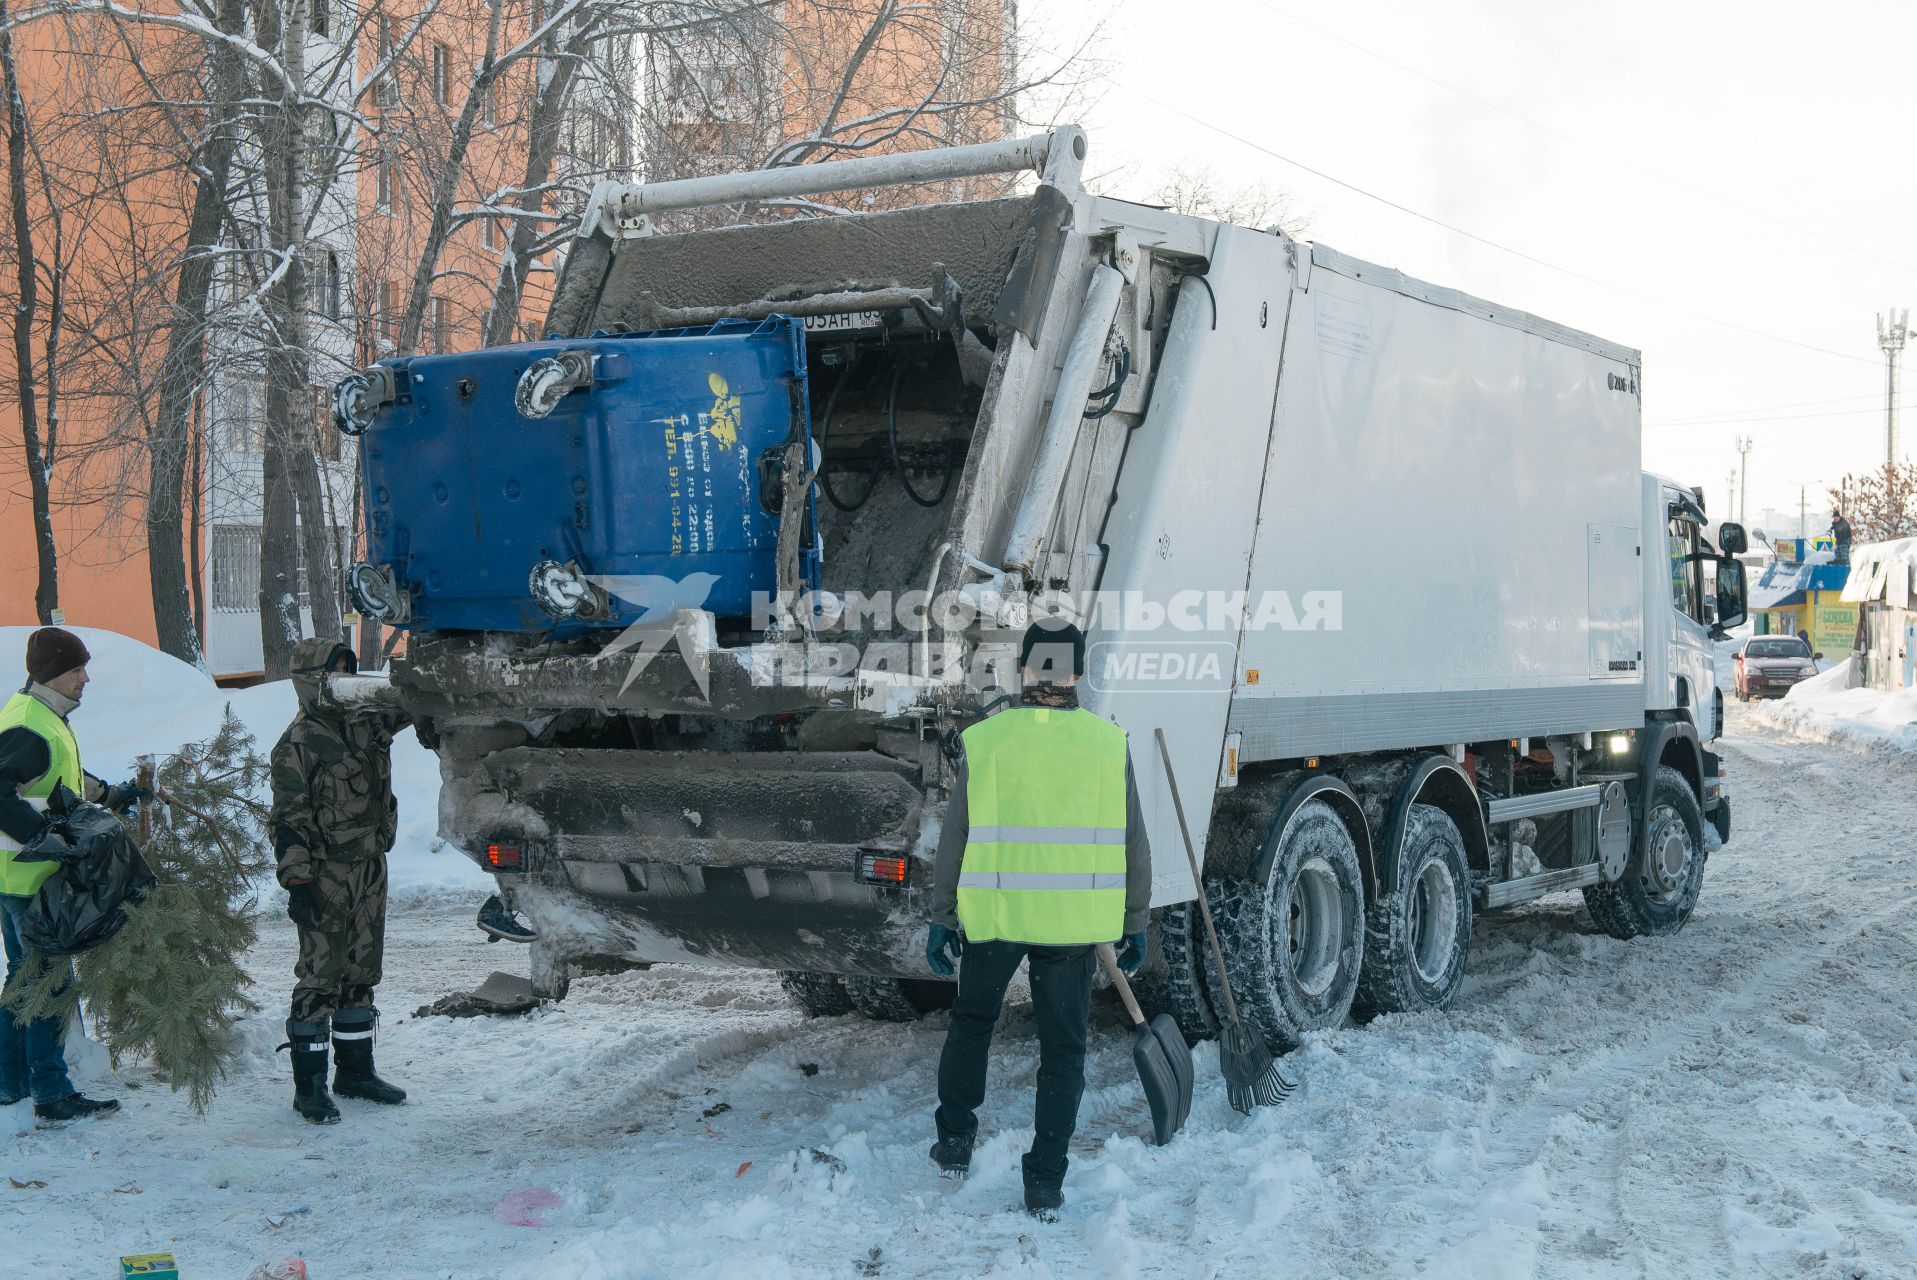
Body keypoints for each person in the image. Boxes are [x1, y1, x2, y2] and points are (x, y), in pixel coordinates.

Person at [923, 618, 1152, 1221]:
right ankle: (1045, 1182)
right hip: (1071, 928)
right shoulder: (1107, 743)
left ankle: (952, 1145)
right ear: (1078, 672)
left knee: (972, 1024)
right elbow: (1134, 841)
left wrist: (942, 915)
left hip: (995, 918)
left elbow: (956, 837)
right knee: (1063, 1050)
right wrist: (1135, 920)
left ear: (1023, 669)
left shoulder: (989, 740)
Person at [0, 627, 146, 1125]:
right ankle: (51, 1094)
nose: (86, 678)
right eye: (76, 670)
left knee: (26, 979)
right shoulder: (29, 727)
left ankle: (11, 1083)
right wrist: (46, 838)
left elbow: (60, 780)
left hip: (23, 876)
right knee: (48, 983)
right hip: (30, 878)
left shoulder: (43, 715)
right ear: (53, 674)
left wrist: (112, 796)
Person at [270, 636, 412, 1124]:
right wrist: (298, 883)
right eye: (335, 672)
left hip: (372, 865)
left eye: (350, 669)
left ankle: (354, 1072)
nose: (345, 680)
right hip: (325, 874)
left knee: (362, 970)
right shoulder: (298, 744)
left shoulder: (367, 722)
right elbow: (289, 821)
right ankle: (307, 1088)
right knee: (320, 977)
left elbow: (411, 703)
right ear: (313, 680)